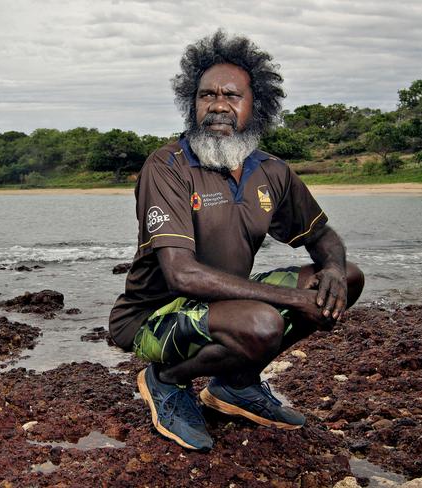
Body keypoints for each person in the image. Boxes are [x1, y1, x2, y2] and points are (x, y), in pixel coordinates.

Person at [108, 30, 364, 451]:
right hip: (153, 315)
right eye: (207, 95)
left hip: (228, 304)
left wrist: (332, 268)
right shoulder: (168, 166)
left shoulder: (272, 170)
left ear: (255, 106)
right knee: (262, 323)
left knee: (348, 279)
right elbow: (181, 274)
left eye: (232, 95)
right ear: (192, 103)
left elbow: (321, 235)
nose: (218, 106)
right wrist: (294, 301)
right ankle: (167, 381)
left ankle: (235, 386)